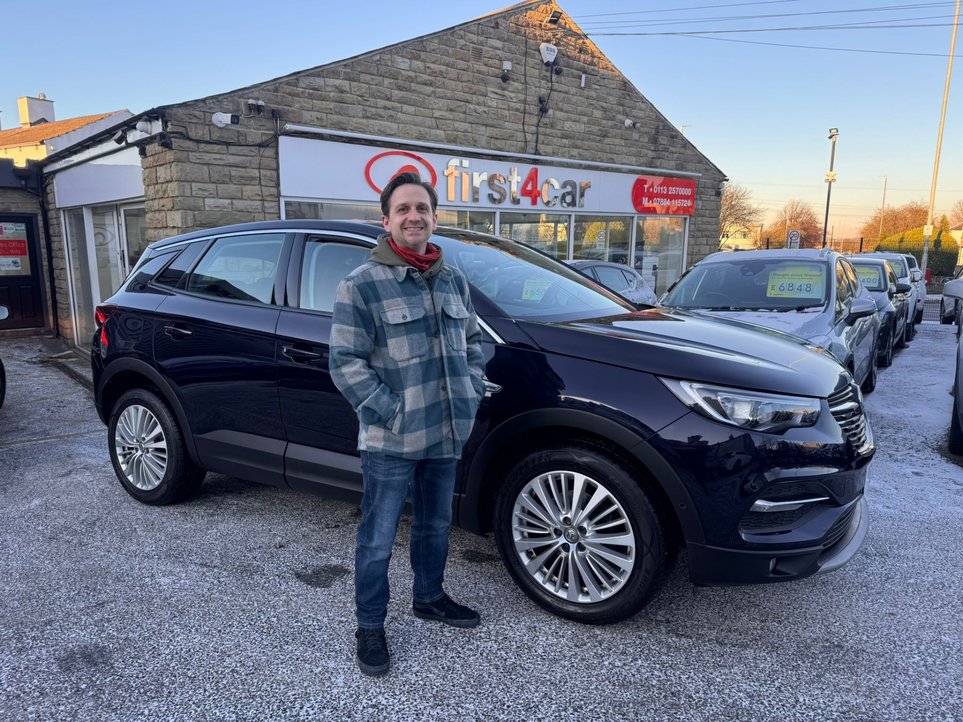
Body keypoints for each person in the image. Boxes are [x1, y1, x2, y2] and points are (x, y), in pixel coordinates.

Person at [329, 171, 487, 677]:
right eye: (403, 209)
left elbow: (474, 347)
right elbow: (345, 364)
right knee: (377, 538)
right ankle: (370, 626)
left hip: (445, 432)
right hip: (391, 437)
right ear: (387, 220)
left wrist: (472, 389)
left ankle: (430, 597)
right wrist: (391, 409)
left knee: (436, 525)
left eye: (422, 208)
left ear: (435, 217)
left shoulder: (454, 279)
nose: (413, 216)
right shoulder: (361, 286)